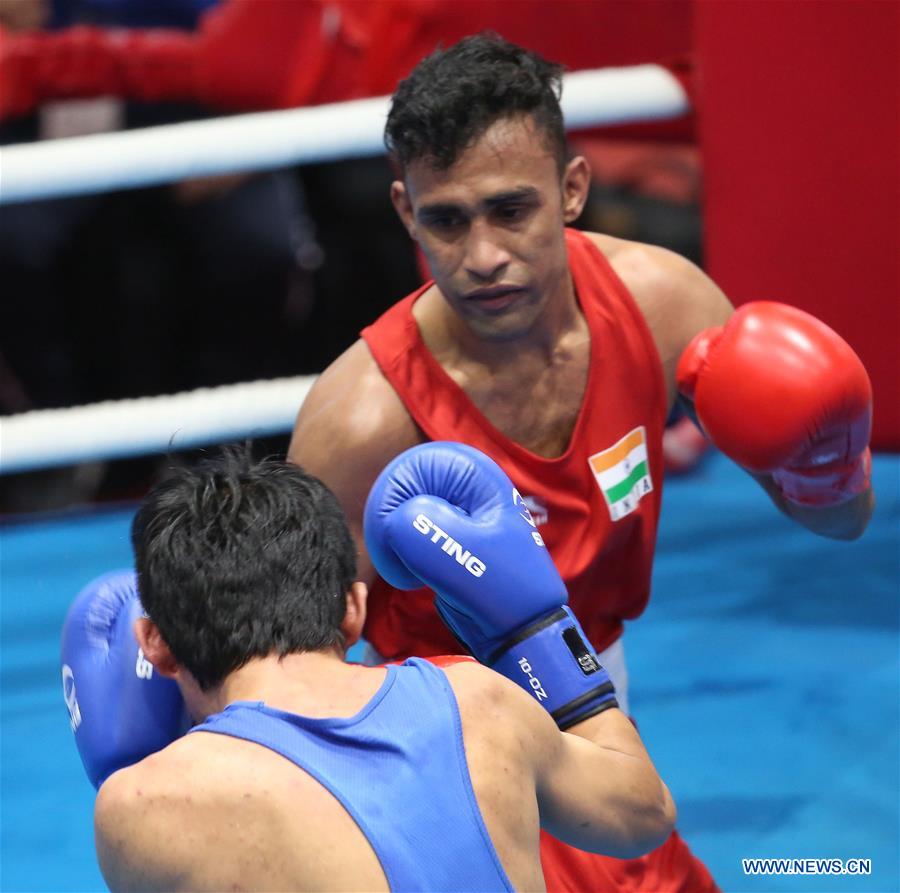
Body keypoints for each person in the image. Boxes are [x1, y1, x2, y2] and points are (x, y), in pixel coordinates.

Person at [288, 33, 874, 892]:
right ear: (407, 213)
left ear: (571, 190)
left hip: (597, 684)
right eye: (446, 219)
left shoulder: (666, 305)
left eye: (510, 209)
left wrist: (825, 461)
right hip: (444, 729)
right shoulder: (361, 419)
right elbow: (298, 674)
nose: (482, 256)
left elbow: (837, 519)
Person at [62, 445, 675, 892]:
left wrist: (141, 762)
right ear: (354, 608)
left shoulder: (143, 800)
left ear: (154, 645)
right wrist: (535, 628)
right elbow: (642, 815)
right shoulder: (477, 700)